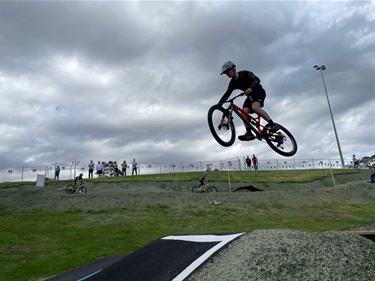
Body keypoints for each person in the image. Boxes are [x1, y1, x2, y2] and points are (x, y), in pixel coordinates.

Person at [219, 61, 279, 141]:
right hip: (250, 97)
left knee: (255, 107)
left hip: (258, 92)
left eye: (228, 71)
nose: (227, 74)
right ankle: (249, 133)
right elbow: (227, 94)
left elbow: (257, 80)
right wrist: (219, 104)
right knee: (243, 112)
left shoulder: (245, 73)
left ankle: (272, 124)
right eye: (225, 73)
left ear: (233, 69)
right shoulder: (232, 83)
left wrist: (251, 88)